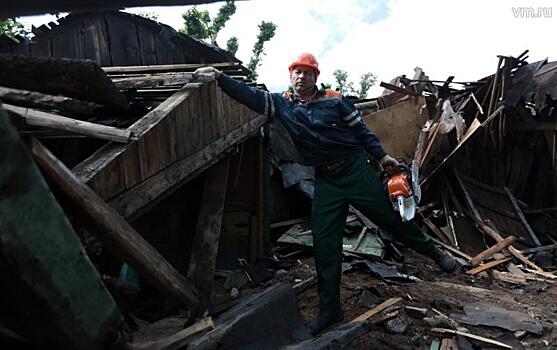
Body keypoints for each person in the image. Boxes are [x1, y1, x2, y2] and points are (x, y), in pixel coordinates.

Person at [195, 53, 457, 335]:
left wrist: (382, 157)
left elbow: (362, 132)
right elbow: (248, 95)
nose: (301, 77)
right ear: (290, 75)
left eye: (307, 73)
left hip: (354, 169)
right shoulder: (281, 104)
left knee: (390, 219)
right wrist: (220, 78)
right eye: (297, 72)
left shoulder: (335, 99)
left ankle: (435, 252)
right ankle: (330, 309)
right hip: (326, 179)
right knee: (324, 242)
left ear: (315, 77)